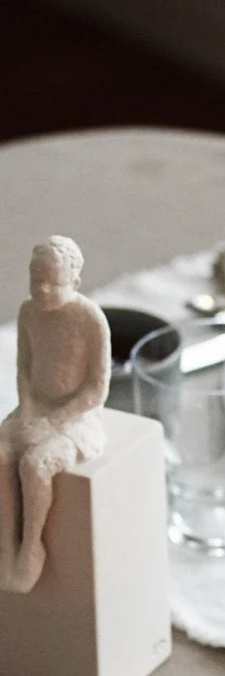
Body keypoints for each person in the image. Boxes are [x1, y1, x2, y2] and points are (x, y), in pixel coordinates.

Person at [0, 236, 110, 594]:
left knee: (36, 464)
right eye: (36, 281)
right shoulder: (28, 311)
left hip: (76, 418)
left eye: (54, 283)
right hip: (35, 408)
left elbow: (97, 390)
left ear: (75, 283)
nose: (43, 290)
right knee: (1, 455)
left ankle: (33, 545)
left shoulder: (91, 319)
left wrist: (54, 422)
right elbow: (25, 368)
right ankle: (6, 543)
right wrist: (29, 411)